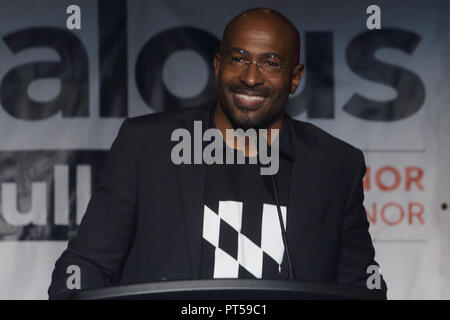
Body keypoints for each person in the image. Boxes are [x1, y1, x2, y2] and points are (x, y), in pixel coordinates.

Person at [48, 8, 387, 299]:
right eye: (238, 58)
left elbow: (362, 286)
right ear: (217, 65)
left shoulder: (335, 165)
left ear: (294, 77)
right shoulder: (147, 145)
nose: (251, 77)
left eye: (270, 62)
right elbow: (83, 268)